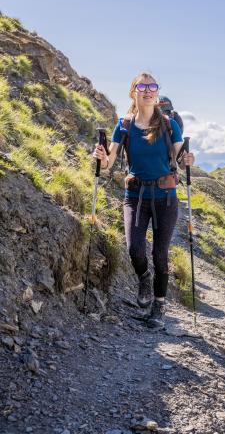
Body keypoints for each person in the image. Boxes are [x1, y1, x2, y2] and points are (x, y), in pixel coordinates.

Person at [92, 72, 195, 328]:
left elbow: (180, 156)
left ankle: (158, 306)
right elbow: (108, 163)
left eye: (152, 86)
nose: (148, 90)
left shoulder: (170, 125)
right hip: (135, 196)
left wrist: (188, 160)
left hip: (165, 198)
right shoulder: (124, 125)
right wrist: (101, 157)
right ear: (133, 92)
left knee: (160, 254)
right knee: (134, 248)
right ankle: (144, 278)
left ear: (156, 92)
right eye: (142, 86)